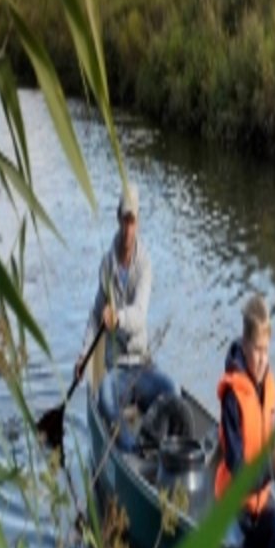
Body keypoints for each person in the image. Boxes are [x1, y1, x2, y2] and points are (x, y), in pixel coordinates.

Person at [77, 182, 175, 450]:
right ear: (118, 219)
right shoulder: (107, 265)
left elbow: (140, 315)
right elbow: (96, 315)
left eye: (133, 222)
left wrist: (118, 317)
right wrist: (84, 355)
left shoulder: (145, 264)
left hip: (141, 365)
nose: (129, 229)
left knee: (171, 391)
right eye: (125, 220)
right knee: (106, 399)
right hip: (117, 368)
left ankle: (158, 443)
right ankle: (132, 449)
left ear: (138, 222)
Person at [216, 293, 275, 548]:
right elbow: (239, 469)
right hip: (231, 508)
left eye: (266, 350)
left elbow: (273, 449)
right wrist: (271, 469)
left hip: (260, 505)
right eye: (257, 350)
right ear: (244, 345)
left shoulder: (270, 389)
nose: (263, 359)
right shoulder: (233, 396)